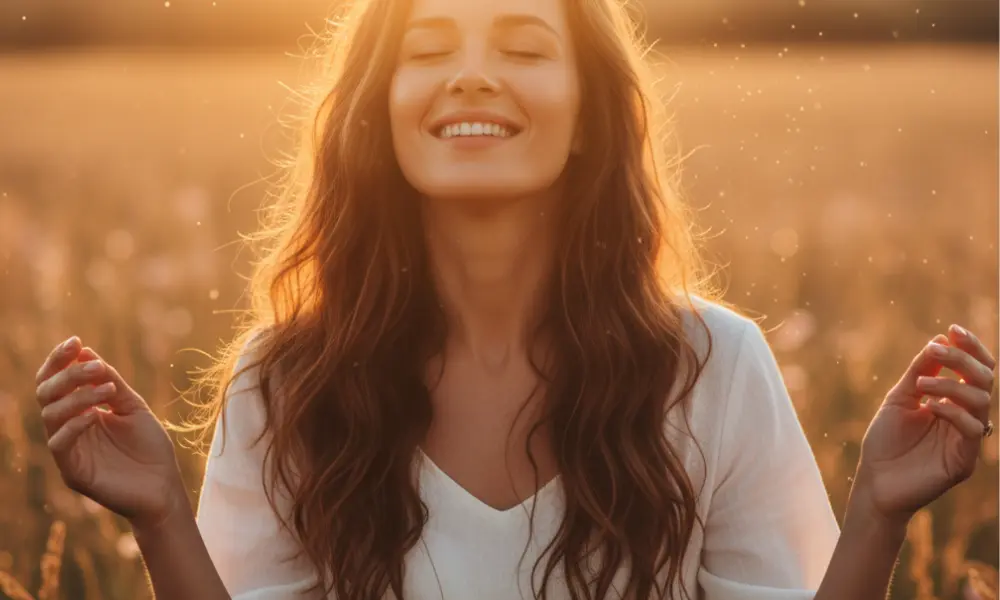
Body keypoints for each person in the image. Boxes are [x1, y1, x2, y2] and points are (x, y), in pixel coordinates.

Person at [33, 0, 997, 598]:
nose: (474, 72)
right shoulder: (288, 378)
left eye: (526, 46)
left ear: (588, 116)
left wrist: (878, 511)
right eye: (432, 45)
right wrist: (160, 514)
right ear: (383, 108)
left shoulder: (716, 365)